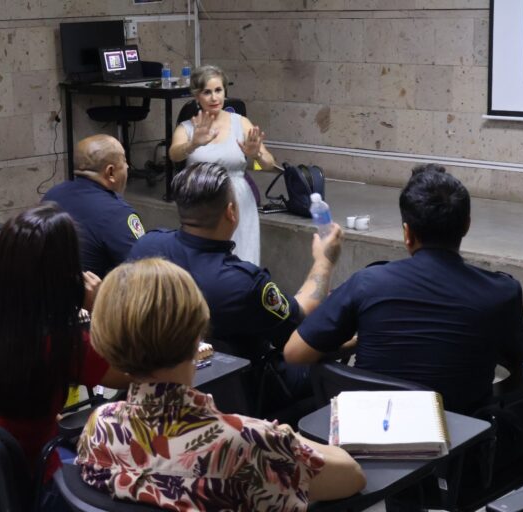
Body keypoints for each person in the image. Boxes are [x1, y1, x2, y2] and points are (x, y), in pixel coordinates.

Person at [77, 258, 365, 510]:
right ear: (196, 337)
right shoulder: (242, 443)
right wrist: (289, 439)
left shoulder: (98, 428)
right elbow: (352, 476)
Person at [284, 164, 523, 414]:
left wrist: (356, 342)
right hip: (459, 446)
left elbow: (295, 353)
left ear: (407, 233)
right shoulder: (502, 292)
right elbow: (518, 356)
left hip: (368, 440)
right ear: (466, 225)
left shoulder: (367, 284)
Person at [128, 162, 343, 398]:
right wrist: (324, 260)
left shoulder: (146, 247)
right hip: (246, 391)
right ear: (231, 212)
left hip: (162, 382)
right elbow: (300, 317)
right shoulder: (243, 283)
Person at [0, 204, 130, 474]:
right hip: (32, 480)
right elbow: (132, 373)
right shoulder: (64, 343)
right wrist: (102, 309)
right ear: (66, 273)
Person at [169, 64, 275, 265]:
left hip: (237, 199)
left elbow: (269, 163)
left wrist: (256, 156)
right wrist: (192, 144)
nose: (214, 98)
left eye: (218, 90)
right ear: (196, 96)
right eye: (207, 92)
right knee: (202, 261)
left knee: (241, 257)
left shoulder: (241, 122)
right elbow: (174, 154)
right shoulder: (188, 127)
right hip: (201, 200)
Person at [41, 134, 145, 277]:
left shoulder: (52, 195)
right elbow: (142, 271)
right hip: (89, 296)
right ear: (110, 172)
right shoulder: (118, 214)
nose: (127, 167)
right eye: (124, 161)